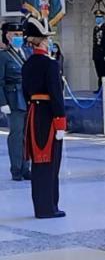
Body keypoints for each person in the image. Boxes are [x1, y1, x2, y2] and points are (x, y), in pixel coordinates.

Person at [21, 16, 66, 218]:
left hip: (33, 114)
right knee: (51, 162)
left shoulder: (27, 64)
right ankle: (49, 207)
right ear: (43, 41)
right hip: (48, 116)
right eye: (47, 38)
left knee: (38, 164)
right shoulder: (51, 64)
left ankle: (40, 206)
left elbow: (25, 93)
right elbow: (56, 95)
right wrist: (60, 121)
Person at [1, 21, 30, 181]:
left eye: (20, 35)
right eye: (15, 35)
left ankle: (27, 167)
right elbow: (0, 81)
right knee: (16, 135)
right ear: (7, 36)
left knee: (28, 135)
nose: (19, 37)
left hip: (27, 98)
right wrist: (2, 102)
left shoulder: (27, 52)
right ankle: (16, 169)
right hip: (13, 100)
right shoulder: (3, 56)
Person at [92, 10, 105, 92]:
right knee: (99, 72)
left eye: (99, 17)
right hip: (96, 54)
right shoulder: (95, 28)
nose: (98, 19)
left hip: (103, 53)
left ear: (103, 18)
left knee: (104, 71)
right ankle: (100, 88)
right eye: (97, 17)